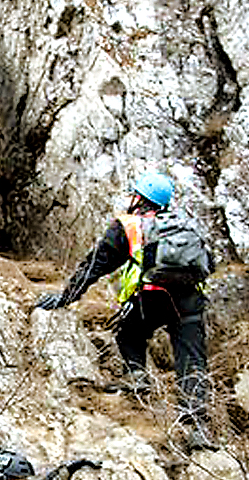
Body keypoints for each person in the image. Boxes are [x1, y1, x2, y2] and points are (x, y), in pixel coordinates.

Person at [36, 169, 215, 451]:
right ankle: (197, 429)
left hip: (150, 298)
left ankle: (136, 377)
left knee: (129, 335)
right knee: (192, 361)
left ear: (139, 198)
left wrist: (65, 297)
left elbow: (94, 266)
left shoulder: (128, 225)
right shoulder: (186, 226)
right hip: (189, 302)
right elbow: (208, 263)